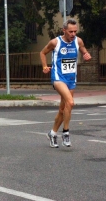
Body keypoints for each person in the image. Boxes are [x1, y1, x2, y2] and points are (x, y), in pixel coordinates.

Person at [40, 18, 92, 148]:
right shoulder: (55, 42)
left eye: (75, 31)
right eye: (70, 32)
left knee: (63, 109)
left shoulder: (78, 41)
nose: (73, 34)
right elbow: (42, 52)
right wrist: (44, 66)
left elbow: (83, 49)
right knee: (71, 102)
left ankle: (52, 133)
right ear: (64, 30)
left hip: (71, 78)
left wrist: (86, 54)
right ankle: (66, 133)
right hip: (58, 77)